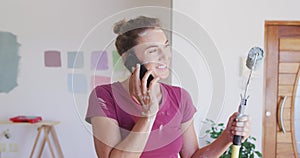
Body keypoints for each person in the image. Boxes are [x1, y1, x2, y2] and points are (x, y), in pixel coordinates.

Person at [85, 16, 250, 158]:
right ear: (129, 58)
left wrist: (227, 137)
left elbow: (192, 156)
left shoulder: (180, 97)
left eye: (166, 46)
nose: (165, 56)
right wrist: (148, 116)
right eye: (153, 50)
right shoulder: (104, 96)